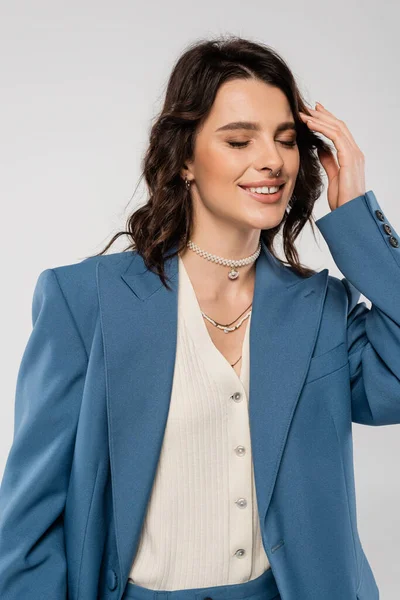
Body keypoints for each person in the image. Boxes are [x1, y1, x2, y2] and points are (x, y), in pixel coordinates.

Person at [0, 35, 397, 600]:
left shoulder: (320, 311)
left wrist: (357, 216)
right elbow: (32, 522)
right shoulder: (84, 301)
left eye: (287, 140)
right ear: (184, 158)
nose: (272, 160)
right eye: (239, 140)